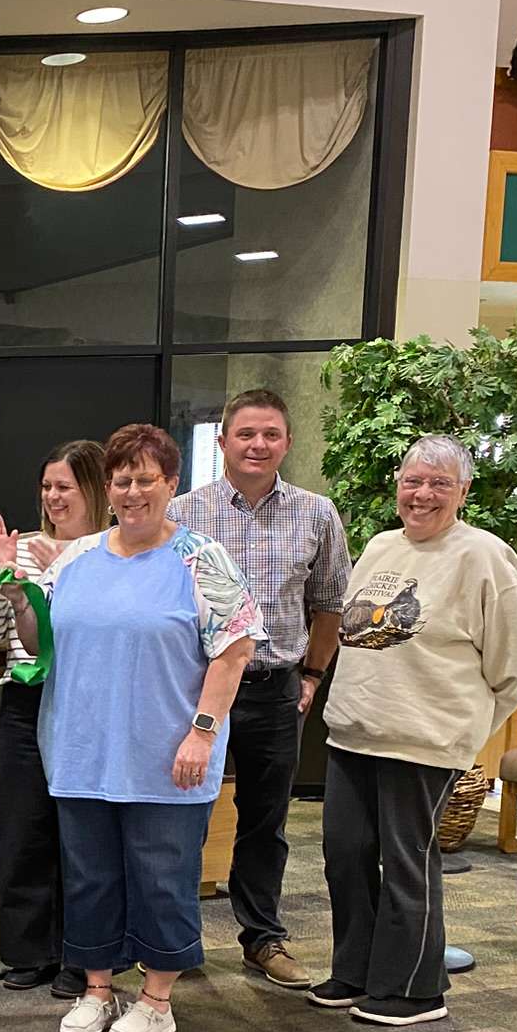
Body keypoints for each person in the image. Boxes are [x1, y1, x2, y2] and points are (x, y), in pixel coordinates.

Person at [0, 423, 262, 1032]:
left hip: (168, 756)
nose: (133, 491)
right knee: (89, 875)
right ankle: (96, 989)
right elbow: (40, 646)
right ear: (107, 488)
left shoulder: (202, 558)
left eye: (147, 479)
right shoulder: (78, 558)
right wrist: (19, 592)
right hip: (82, 750)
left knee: (161, 875)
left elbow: (233, 651)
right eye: (122, 480)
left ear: (171, 483)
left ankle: (157, 998)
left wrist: (201, 733)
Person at [317, 435, 517, 1027]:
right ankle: (357, 970)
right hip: (353, 732)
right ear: (398, 487)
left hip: (423, 739)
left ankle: (415, 989)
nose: (423, 494)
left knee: (405, 861)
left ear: (463, 492)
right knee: (345, 853)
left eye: (440, 484)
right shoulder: (382, 546)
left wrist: (467, 727)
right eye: (414, 481)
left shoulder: (484, 556)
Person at [167, 389, 351, 990]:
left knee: (265, 820)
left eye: (271, 434)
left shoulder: (316, 514)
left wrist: (313, 677)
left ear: (287, 443)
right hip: (199, 690)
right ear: (222, 443)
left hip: (277, 688)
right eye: (245, 434)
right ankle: (174, 940)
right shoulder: (185, 514)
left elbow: (328, 605)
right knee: (180, 815)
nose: (258, 445)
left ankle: (263, 938)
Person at [0, 441, 109, 998]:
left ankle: (83, 954)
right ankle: (28, 952)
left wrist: (67, 578)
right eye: (47, 487)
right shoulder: (21, 548)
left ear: (93, 492)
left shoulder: (114, 550)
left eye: (65, 488)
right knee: (24, 827)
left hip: (91, 704)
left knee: (83, 833)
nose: (53, 498)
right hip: (26, 699)